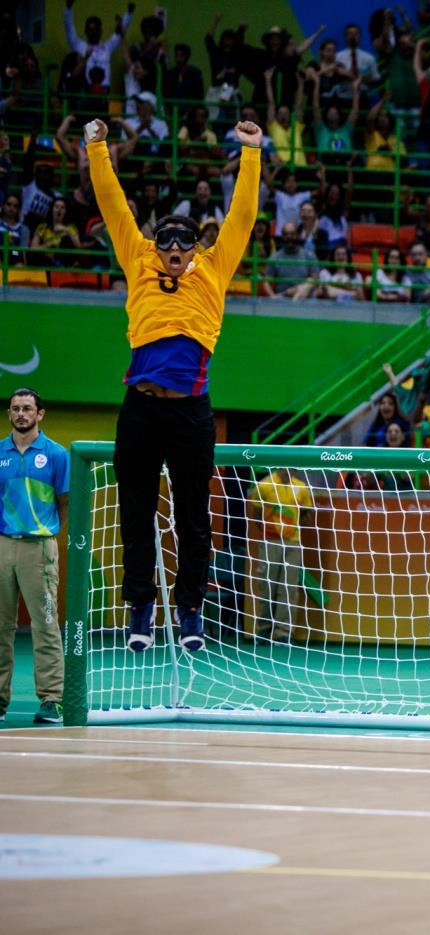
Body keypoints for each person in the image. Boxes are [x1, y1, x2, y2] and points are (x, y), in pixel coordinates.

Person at [86, 116, 262, 654]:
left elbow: (243, 217)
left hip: (190, 411)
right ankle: (141, 605)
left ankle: (189, 611)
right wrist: (97, 148)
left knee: (193, 515)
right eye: (168, 242)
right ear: (157, 244)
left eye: (185, 242)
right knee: (134, 511)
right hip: (139, 408)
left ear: (196, 245)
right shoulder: (137, 258)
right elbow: (115, 206)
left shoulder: (213, 267)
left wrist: (251, 153)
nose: (176, 250)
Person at [0, 389, 67, 724]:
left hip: (39, 547)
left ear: (40, 414)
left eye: (27, 409)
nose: (21, 414)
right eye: (15, 409)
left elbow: (65, 502)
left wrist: (46, 533)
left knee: (45, 625)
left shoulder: (56, 454)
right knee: (0, 627)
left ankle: (52, 700)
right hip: (2, 546)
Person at [248, 467, 312, 642]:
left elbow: (306, 513)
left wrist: (292, 529)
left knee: (289, 588)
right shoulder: (264, 485)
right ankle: (263, 629)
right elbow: (257, 514)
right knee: (268, 585)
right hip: (270, 541)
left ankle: (283, 632)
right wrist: (272, 531)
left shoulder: (301, 487)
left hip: (294, 542)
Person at [64, 0, 132, 94]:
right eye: (91, 29)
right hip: (86, 92)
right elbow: (69, 27)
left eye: (97, 29)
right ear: (86, 32)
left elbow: (119, 31)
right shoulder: (78, 45)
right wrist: (68, 9)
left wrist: (129, 13)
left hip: (104, 91)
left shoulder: (108, 47)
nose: (94, 32)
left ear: (101, 31)